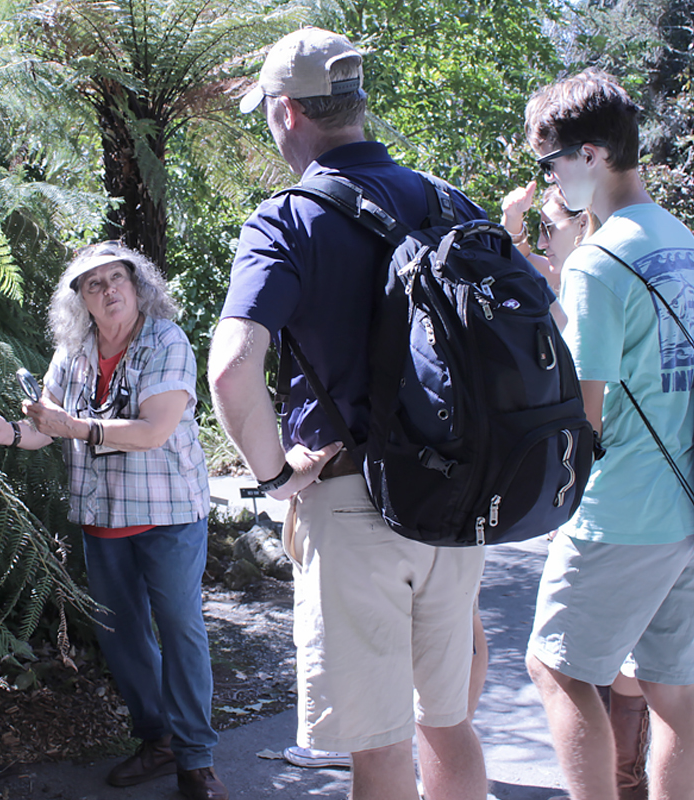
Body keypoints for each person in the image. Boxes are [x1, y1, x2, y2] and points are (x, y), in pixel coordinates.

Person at [208, 27, 515, 800]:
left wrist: (275, 475)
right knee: (448, 723)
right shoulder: (448, 201)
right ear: (359, 104)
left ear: (286, 112)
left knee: (377, 750)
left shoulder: (285, 220)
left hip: (350, 504)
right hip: (456, 502)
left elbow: (231, 368)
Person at [0, 241, 227, 800]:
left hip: (169, 515)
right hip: (103, 518)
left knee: (181, 630)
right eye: (94, 284)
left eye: (117, 278)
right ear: (80, 300)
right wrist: (8, 431)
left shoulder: (167, 341)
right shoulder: (73, 352)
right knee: (123, 635)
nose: (108, 290)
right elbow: (47, 428)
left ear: (138, 287)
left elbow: (153, 431)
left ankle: (196, 762)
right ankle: (158, 740)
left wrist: (72, 426)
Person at [522, 68, 694, 800]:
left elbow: (582, 420)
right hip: (683, 503)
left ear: (590, 155)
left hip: (619, 510)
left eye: (552, 164)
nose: (551, 182)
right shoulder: (681, 239)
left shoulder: (596, 265)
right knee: (675, 700)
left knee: (556, 669)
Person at [501, 180, 592, 295]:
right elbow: (521, 260)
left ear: (583, 223)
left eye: (548, 229)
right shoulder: (561, 277)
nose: (540, 244)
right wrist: (512, 216)